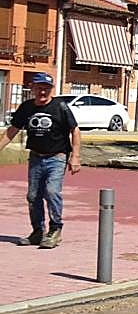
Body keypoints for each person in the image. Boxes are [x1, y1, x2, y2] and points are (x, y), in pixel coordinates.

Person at [0, 72, 81, 248]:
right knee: (33, 196)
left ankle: (55, 229)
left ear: (51, 89)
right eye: (39, 88)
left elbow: (75, 130)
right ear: (32, 88)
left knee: (52, 192)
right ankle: (37, 231)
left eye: (46, 88)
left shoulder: (60, 107)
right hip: (36, 157)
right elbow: (12, 130)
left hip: (57, 157)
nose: (42, 92)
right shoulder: (27, 107)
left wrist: (75, 156)